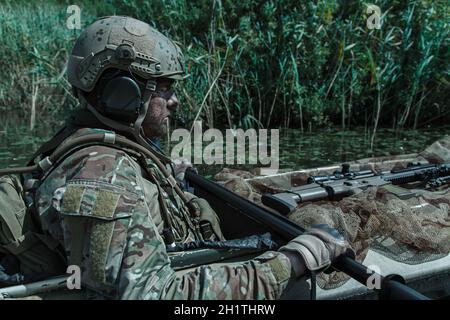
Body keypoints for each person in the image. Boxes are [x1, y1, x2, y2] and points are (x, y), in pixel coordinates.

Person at [30, 16, 354, 299]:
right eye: (165, 88)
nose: (174, 101)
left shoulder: (109, 144)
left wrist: (163, 179)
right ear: (124, 93)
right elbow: (157, 295)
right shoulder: (101, 175)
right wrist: (293, 263)